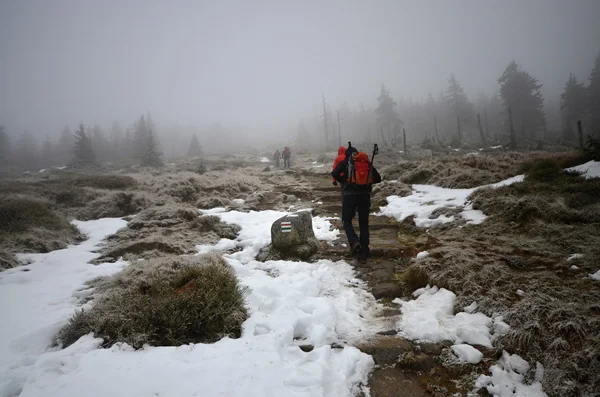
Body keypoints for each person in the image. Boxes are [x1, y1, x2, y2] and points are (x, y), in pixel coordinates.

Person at [331, 147, 381, 264]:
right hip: (364, 196)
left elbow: (334, 173)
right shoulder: (366, 163)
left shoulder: (347, 162)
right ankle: (363, 253)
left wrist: (345, 180)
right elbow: (378, 178)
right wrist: (366, 181)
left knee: (346, 220)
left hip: (349, 196)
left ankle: (354, 241)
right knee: (364, 225)